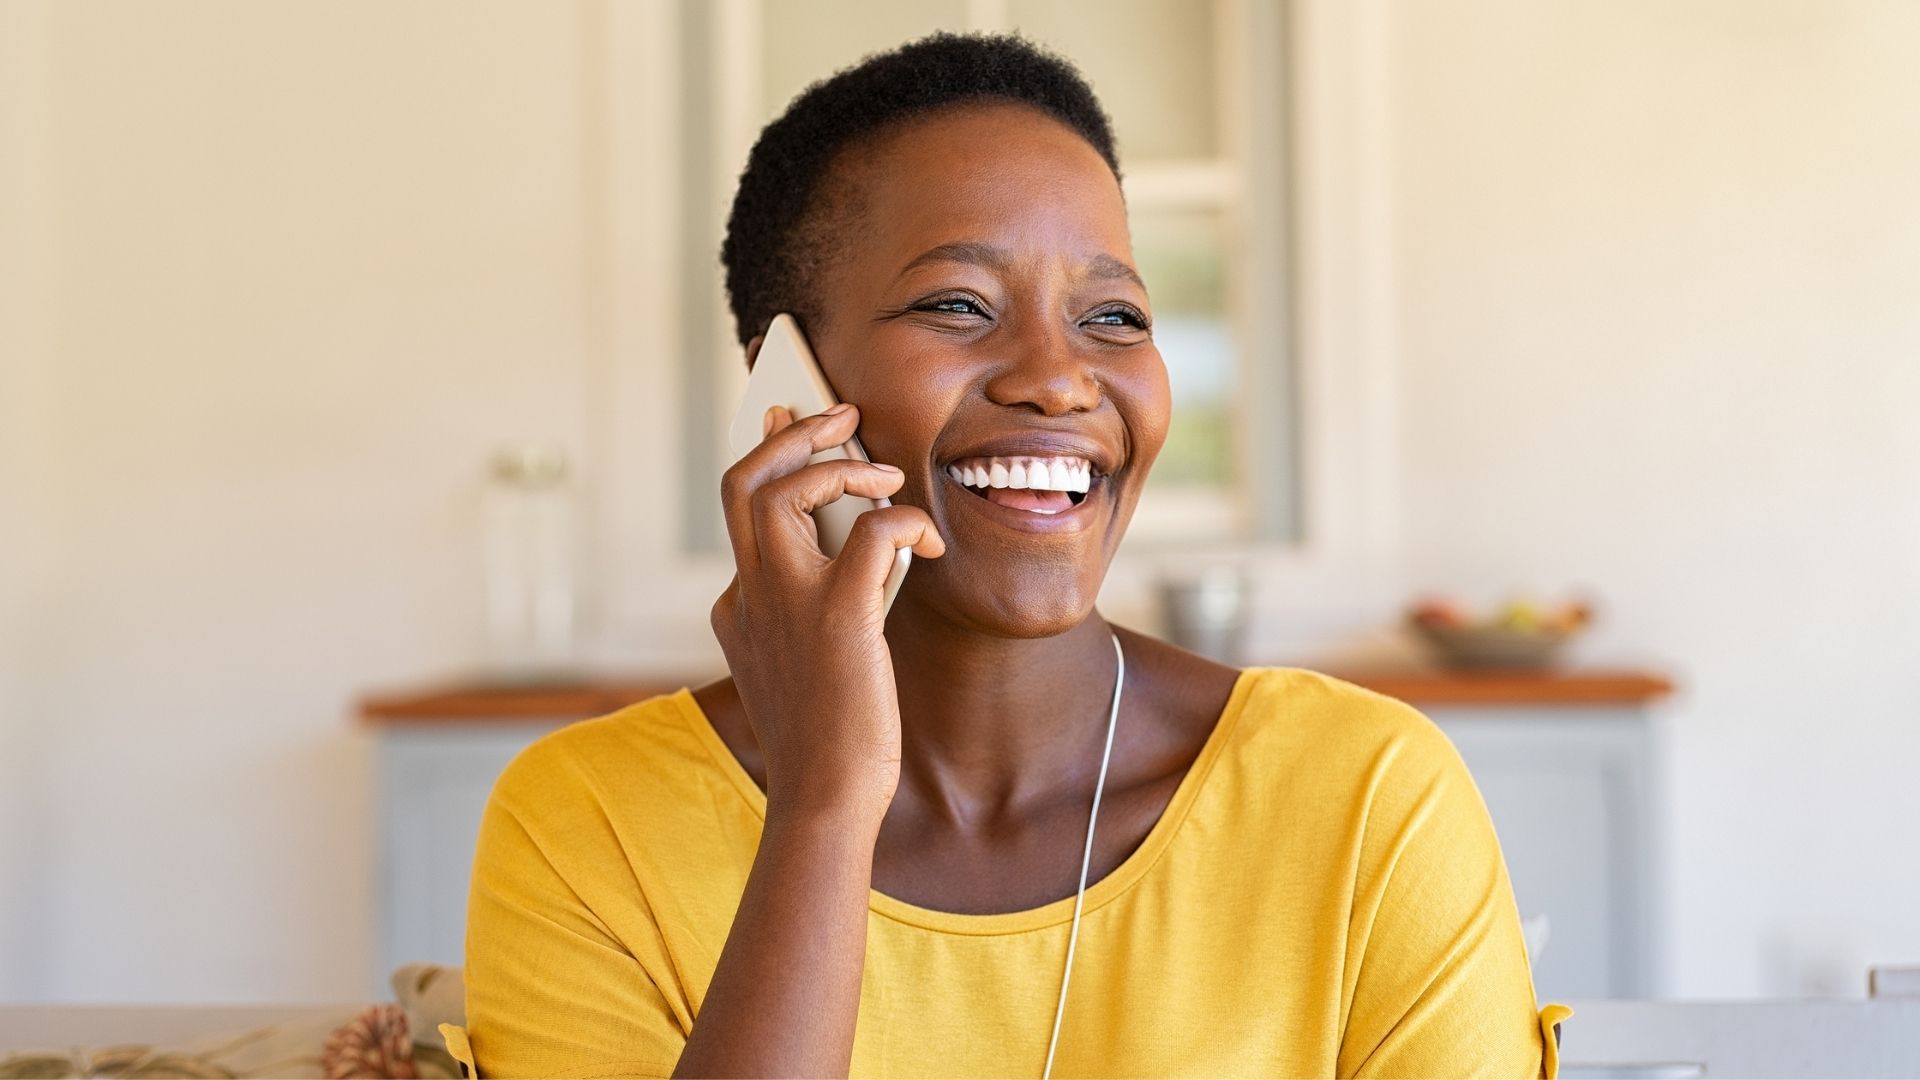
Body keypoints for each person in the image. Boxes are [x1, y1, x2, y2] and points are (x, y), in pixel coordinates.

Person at [445, 31, 1569, 1078]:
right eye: (957, 304)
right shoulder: (584, 824)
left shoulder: (1367, 795)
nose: (1061, 378)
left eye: (1115, 318)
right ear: (785, 385)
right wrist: (825, 810)